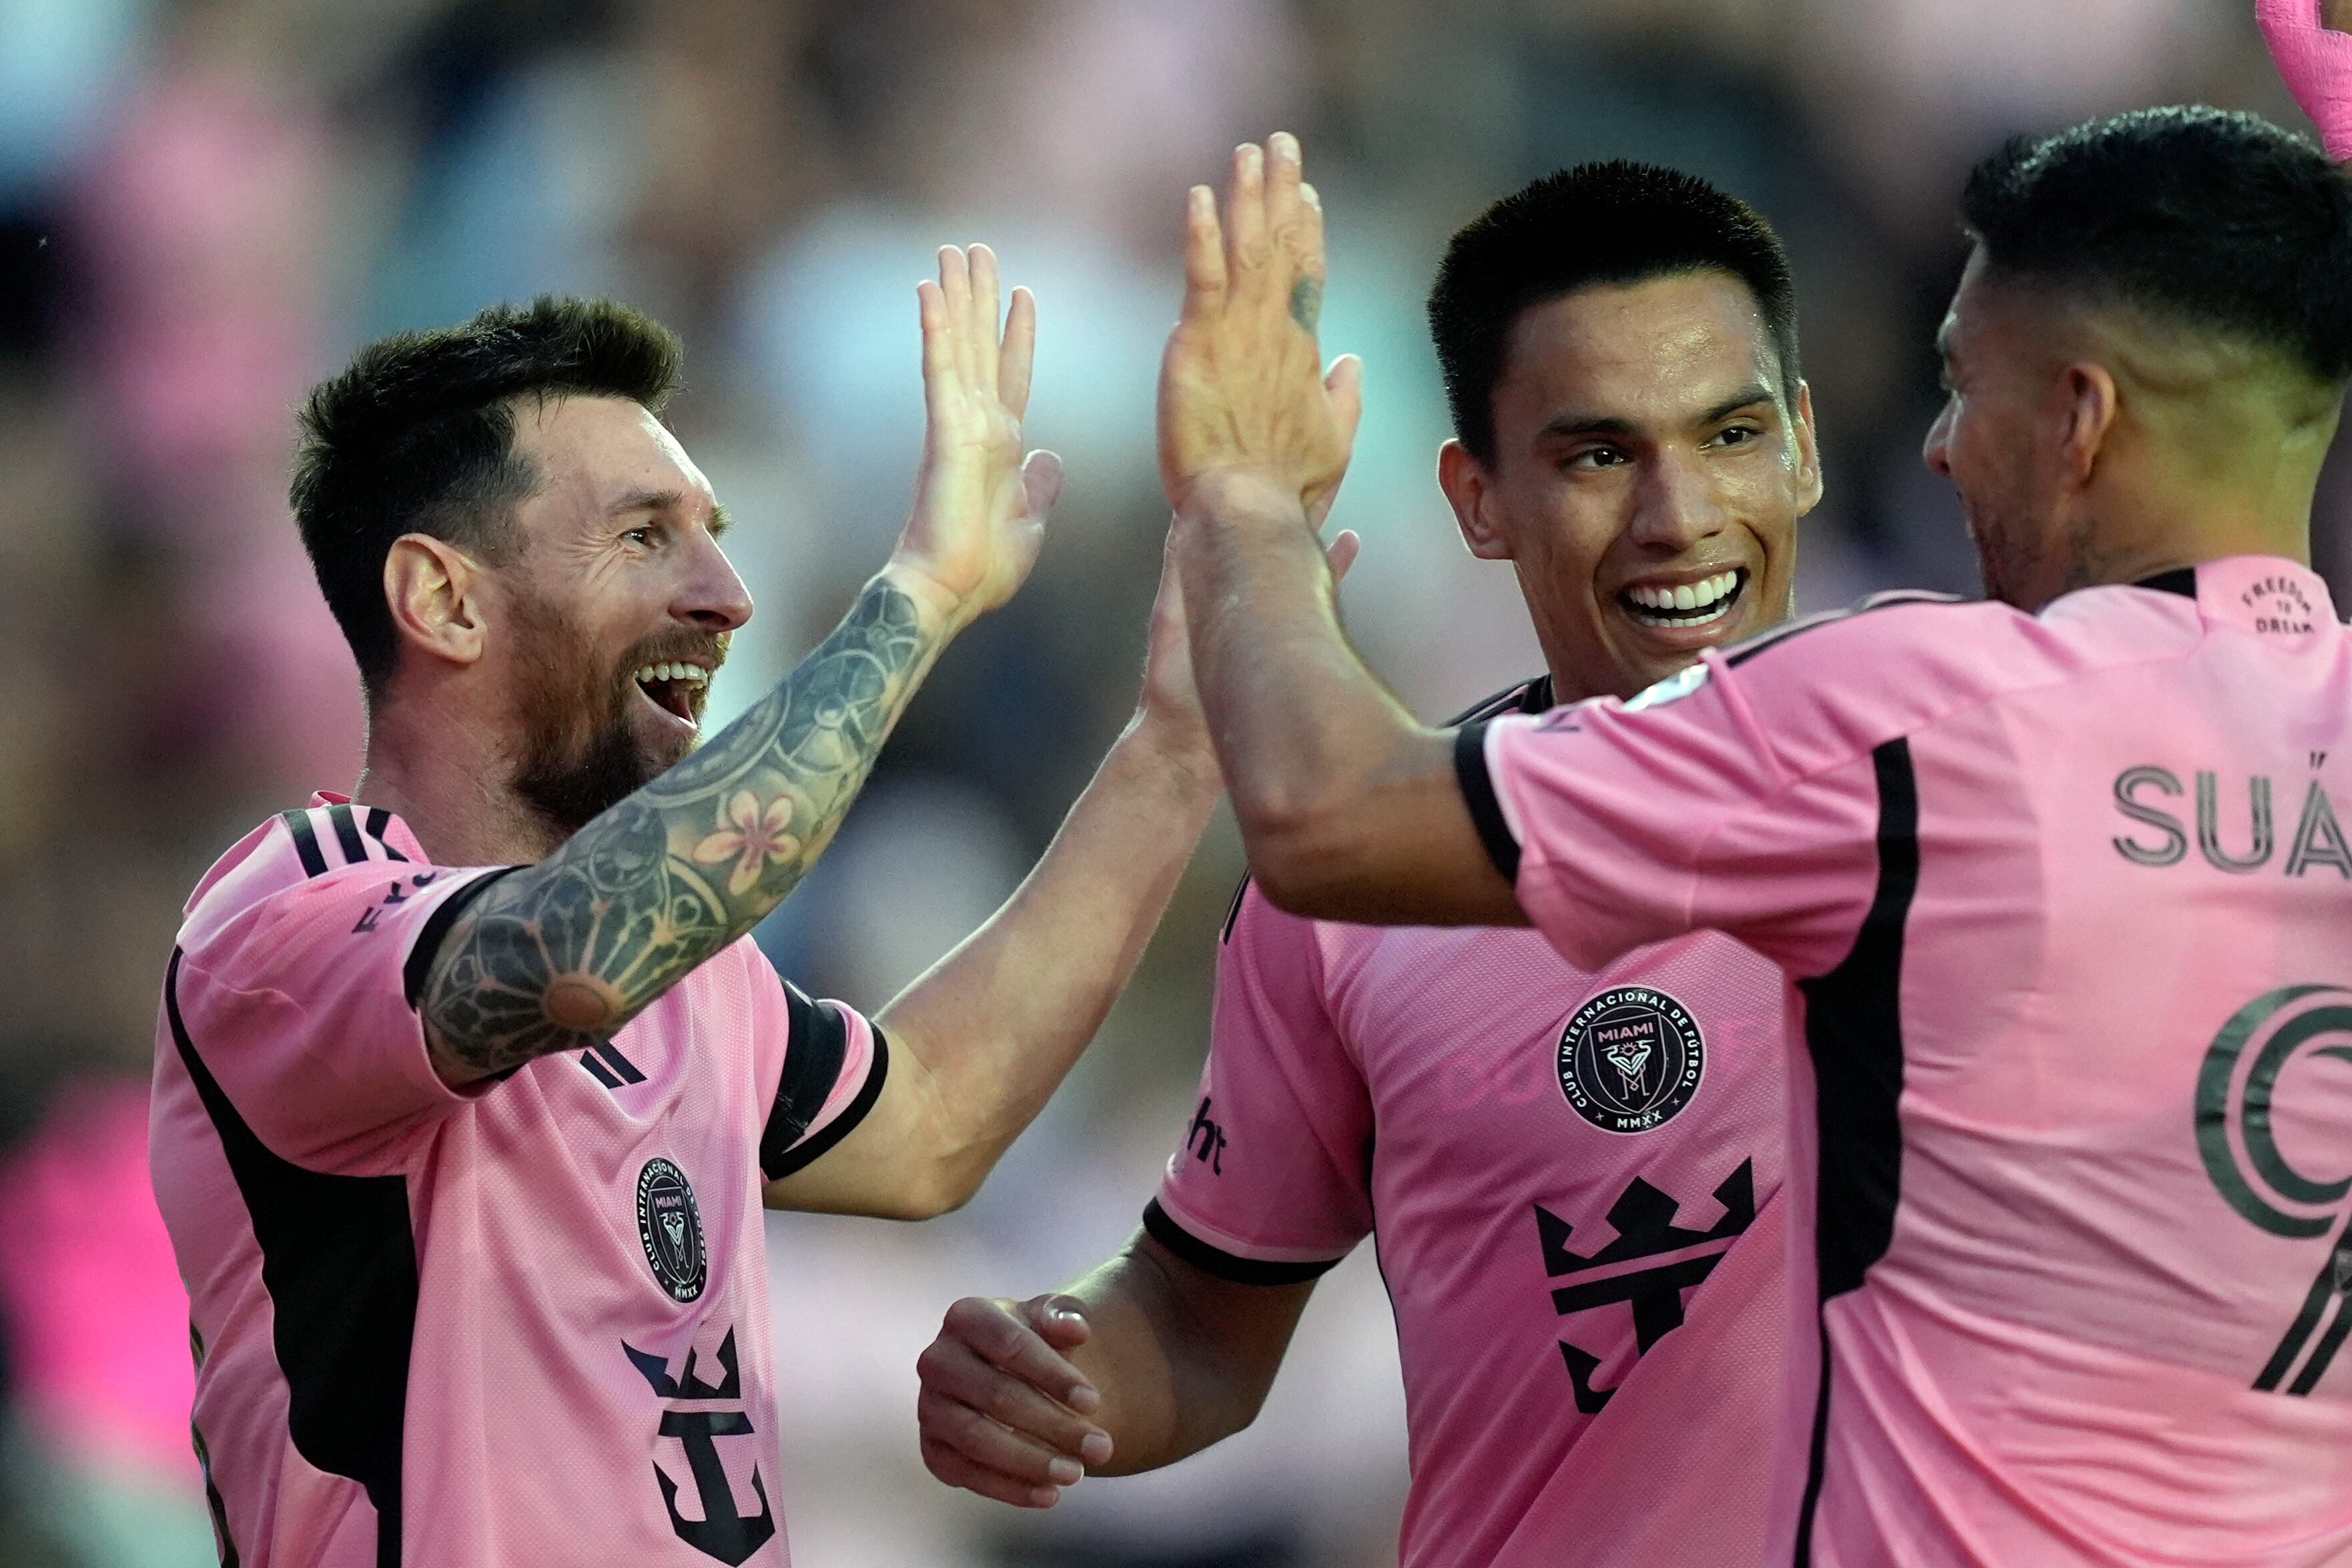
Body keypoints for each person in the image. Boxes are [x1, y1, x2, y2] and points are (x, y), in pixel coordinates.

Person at [1154, 105, 2352, 1568]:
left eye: (1961, 386)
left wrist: (1238, 491)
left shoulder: (1913, 720)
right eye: (1601, 454)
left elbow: (1321, 815)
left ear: (2078, 417)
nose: (1932, 448)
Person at [149, 250, 1248, 1567]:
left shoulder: (692, 977)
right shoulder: (290, 917)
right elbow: (575, 955)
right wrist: (920, 592)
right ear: (442, 599)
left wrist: (1176, 745)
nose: (724, 597)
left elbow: (928, 1122)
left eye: (714, 535)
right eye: (640, 536)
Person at [913, 163, 1820, 1566]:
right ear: (1476, 498)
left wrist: (1239, 505)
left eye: (1731, 433)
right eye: (1596, 455)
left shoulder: (1964, 772)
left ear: (1805, 447)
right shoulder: (1340, 906)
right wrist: (1059, 1381)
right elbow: (1204, 1320)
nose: (1678, 513)